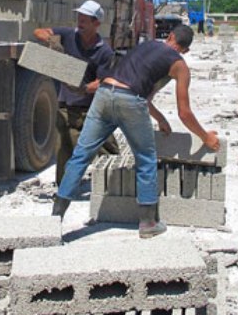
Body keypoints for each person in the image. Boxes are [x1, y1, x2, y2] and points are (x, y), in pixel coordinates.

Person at [53, 24, 221, 238]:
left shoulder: (147, 46)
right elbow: (184, 113)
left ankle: (55, 217)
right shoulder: (179, 65)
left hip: (104, 94)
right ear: (186, 50)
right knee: (146, 159)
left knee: (80, 156)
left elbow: (136, 88)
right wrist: (206, 137)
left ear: (169, 36)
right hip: (130, 101)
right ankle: (148, 223)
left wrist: (159, 118)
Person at [33, 0, 119, 185]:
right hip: (66, 105)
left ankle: (119, 180)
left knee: (106, 148)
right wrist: (50, 40)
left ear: (96, 23)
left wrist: (84, 88)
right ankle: (64, 187)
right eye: (79, 17)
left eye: (85, 19)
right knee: (64, 145)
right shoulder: (68, 35)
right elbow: (38, 31)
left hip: (91, 109)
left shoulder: (104, 51)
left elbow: (103, 82)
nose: (79, 21)